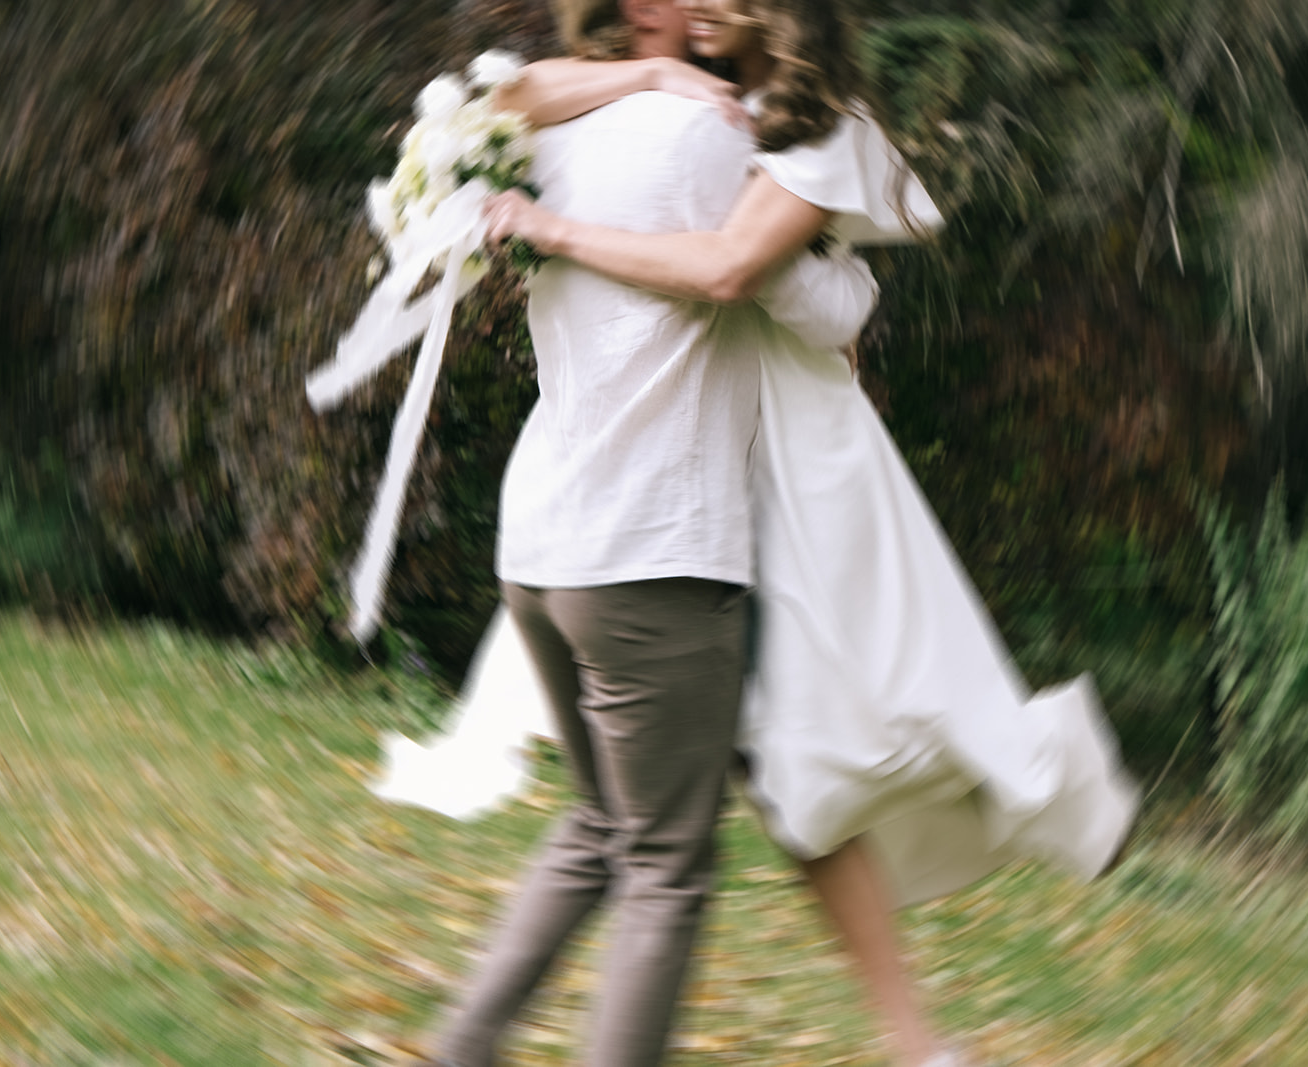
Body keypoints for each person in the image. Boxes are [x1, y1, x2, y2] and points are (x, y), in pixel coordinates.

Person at [479, 1, 1140, 1064]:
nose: (686, 8)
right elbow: (513, 95)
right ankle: (920, 1041)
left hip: (787, 470)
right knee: (782, 772)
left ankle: (942, 993)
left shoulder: (823, 136)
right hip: (693, 466)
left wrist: (556, 227)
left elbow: (732, 270)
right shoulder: (683, 101)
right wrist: (650, 83)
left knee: (828, 738)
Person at [426, 1, 884, 1065]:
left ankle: (462, 1044)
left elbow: (505, 95)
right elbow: (801, 297)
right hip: (654, 550)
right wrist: (847, 267)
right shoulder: (719, 139)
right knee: (668, 866)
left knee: (599, 828)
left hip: (541, 543)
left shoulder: (539, 135)